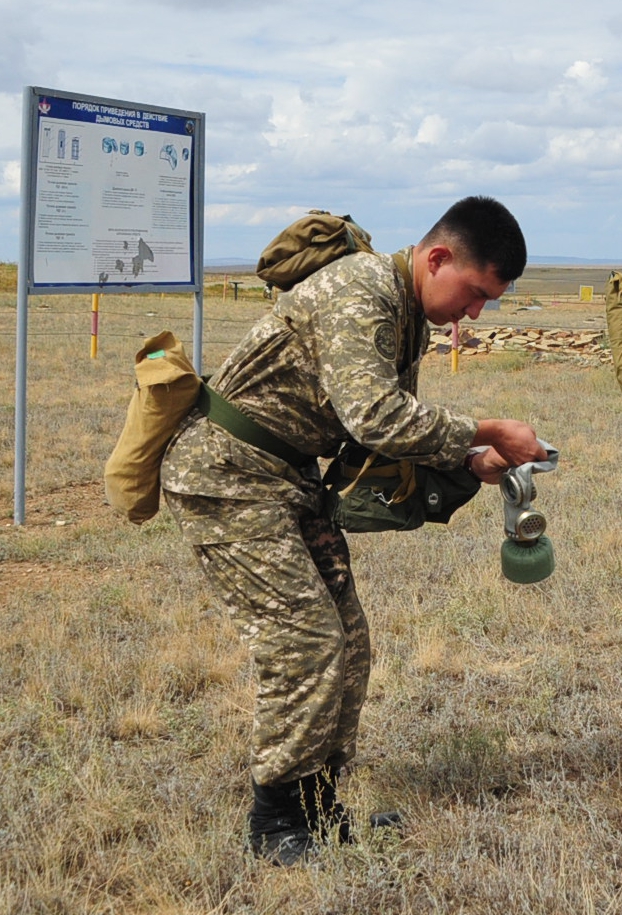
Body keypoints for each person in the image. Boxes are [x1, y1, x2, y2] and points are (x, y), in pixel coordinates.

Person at [160, 196, 547, 864]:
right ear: (437, 258)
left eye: (490, 302)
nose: (475, 313)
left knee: (350, 640)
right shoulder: (363, 289)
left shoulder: (408, 318)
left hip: (287, 475)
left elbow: (395, 428)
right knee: (305, 641)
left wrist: (468, 460)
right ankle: (275, 822)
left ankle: (318, 806)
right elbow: (374, 415)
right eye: (476, 293)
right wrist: (485, 429)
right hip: (227, 471)